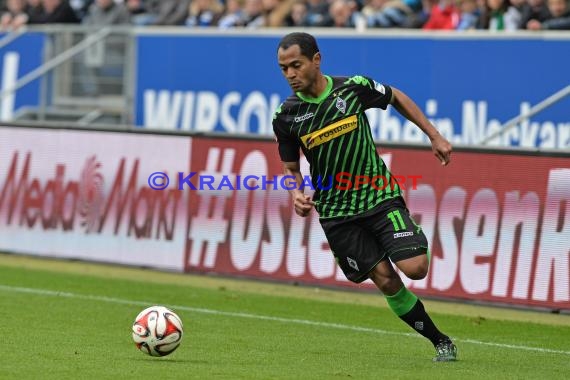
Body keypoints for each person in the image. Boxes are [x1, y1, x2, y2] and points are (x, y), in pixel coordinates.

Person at [272, 32, 457, 362]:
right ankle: (440, 340)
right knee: (386, 280)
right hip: (336, 213)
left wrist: (434, 135)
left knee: (415, 267)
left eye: (296, 65)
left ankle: (407, 235)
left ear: (316, 60)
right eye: (284, 68)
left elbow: (395, 96)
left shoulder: (352, 88)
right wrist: (296, 193)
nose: (290, 75)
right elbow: (290, 168)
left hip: (378, 197)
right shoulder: (285, 116)